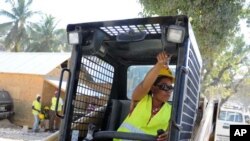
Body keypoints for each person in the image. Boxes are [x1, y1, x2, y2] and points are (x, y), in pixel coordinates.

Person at [115, 52, 174, 141]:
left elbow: (172, 130)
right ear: (153, 88)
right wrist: (159, 65)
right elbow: (145, 85)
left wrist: (168, 134)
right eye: (165, 87)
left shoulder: (171, 110)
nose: (168, 91)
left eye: (170, 88)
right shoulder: (140, 99)